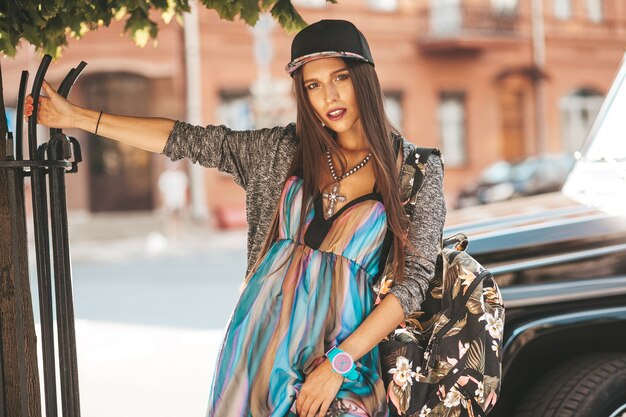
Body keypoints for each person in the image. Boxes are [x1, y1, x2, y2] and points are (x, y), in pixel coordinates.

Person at [25, 19, 446, 417]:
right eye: (313, 85)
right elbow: (184, 139)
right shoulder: (281, 152)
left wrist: (339, 362)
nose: (328, 97)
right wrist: (76, 118)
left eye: (340, 78)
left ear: (364, 78)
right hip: (257, 349)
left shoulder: (416, 171)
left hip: (344, 358)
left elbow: (414, 283)